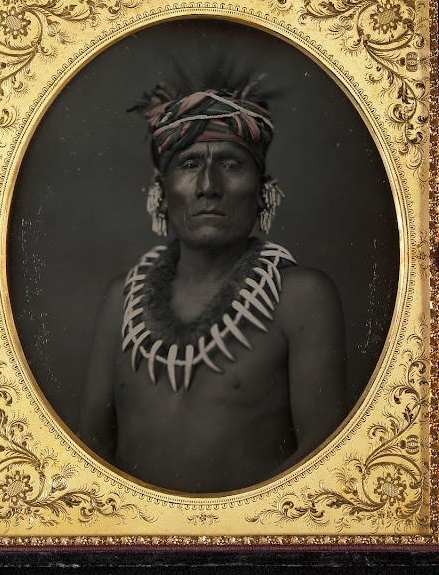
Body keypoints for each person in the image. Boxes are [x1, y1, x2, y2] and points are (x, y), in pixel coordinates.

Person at [79, 81, 346, 493]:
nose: (209, 185)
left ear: (263, 192)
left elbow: (322, 454)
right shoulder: (123, 299)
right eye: (189, 164)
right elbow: (91, 446)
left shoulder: (300, 297)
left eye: (231, 165)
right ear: (161, 193)